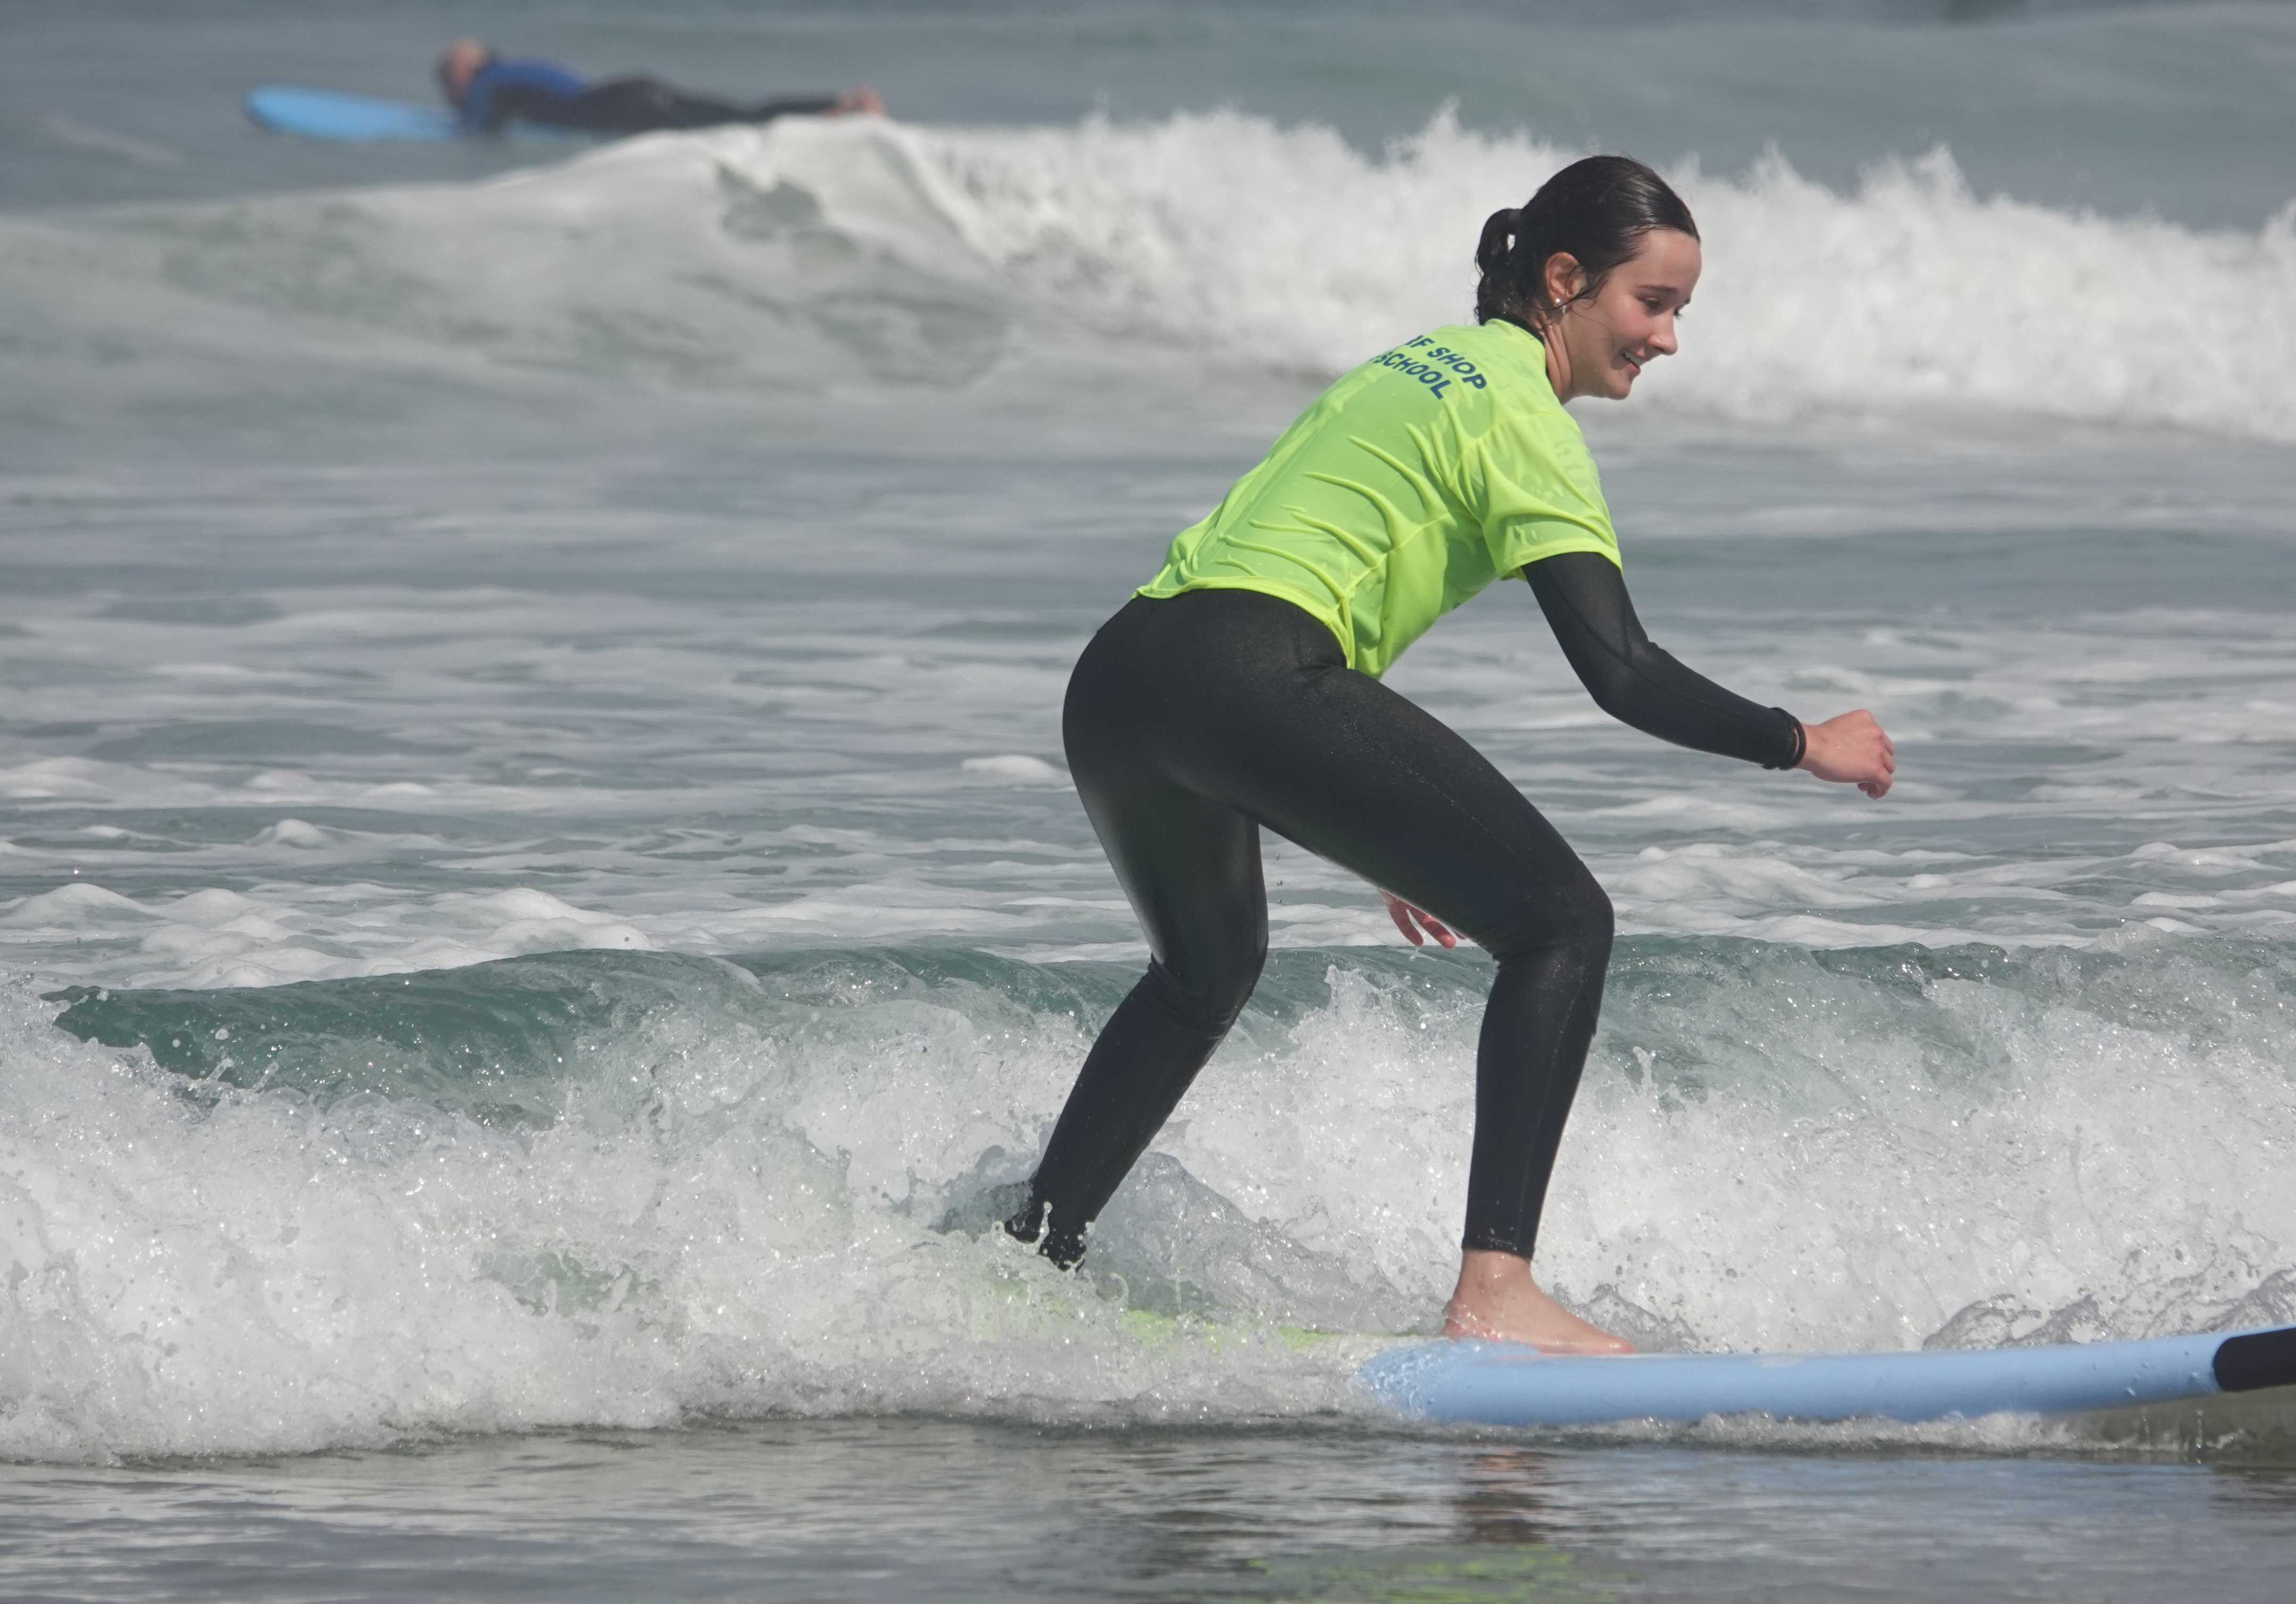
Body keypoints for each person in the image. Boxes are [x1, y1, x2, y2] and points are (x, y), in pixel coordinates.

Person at [1003, 155, 1896, 1354]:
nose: (1670, 339)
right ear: (1566, 281)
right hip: (1256, 676)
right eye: (1653, 304)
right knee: (1564, 924)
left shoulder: (1416, 361)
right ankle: (1496, 1289)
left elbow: (1308, 549)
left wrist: (1362, 799)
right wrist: (1803, 742)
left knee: (1202, 975)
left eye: (1682, 310)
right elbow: (1621, 672)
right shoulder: (1524, 417)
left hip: (1126, 675)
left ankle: (1029, 1256)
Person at [432, 39, 885, 136]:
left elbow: (483, 133)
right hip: (631, 90)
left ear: (465, 73)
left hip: (617, 105)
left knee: (731, 125)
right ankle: (841, 103)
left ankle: (837, 111)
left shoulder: (490, 85)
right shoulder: (519, 71)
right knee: (741, 116)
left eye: (447, 74)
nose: (445, 83)